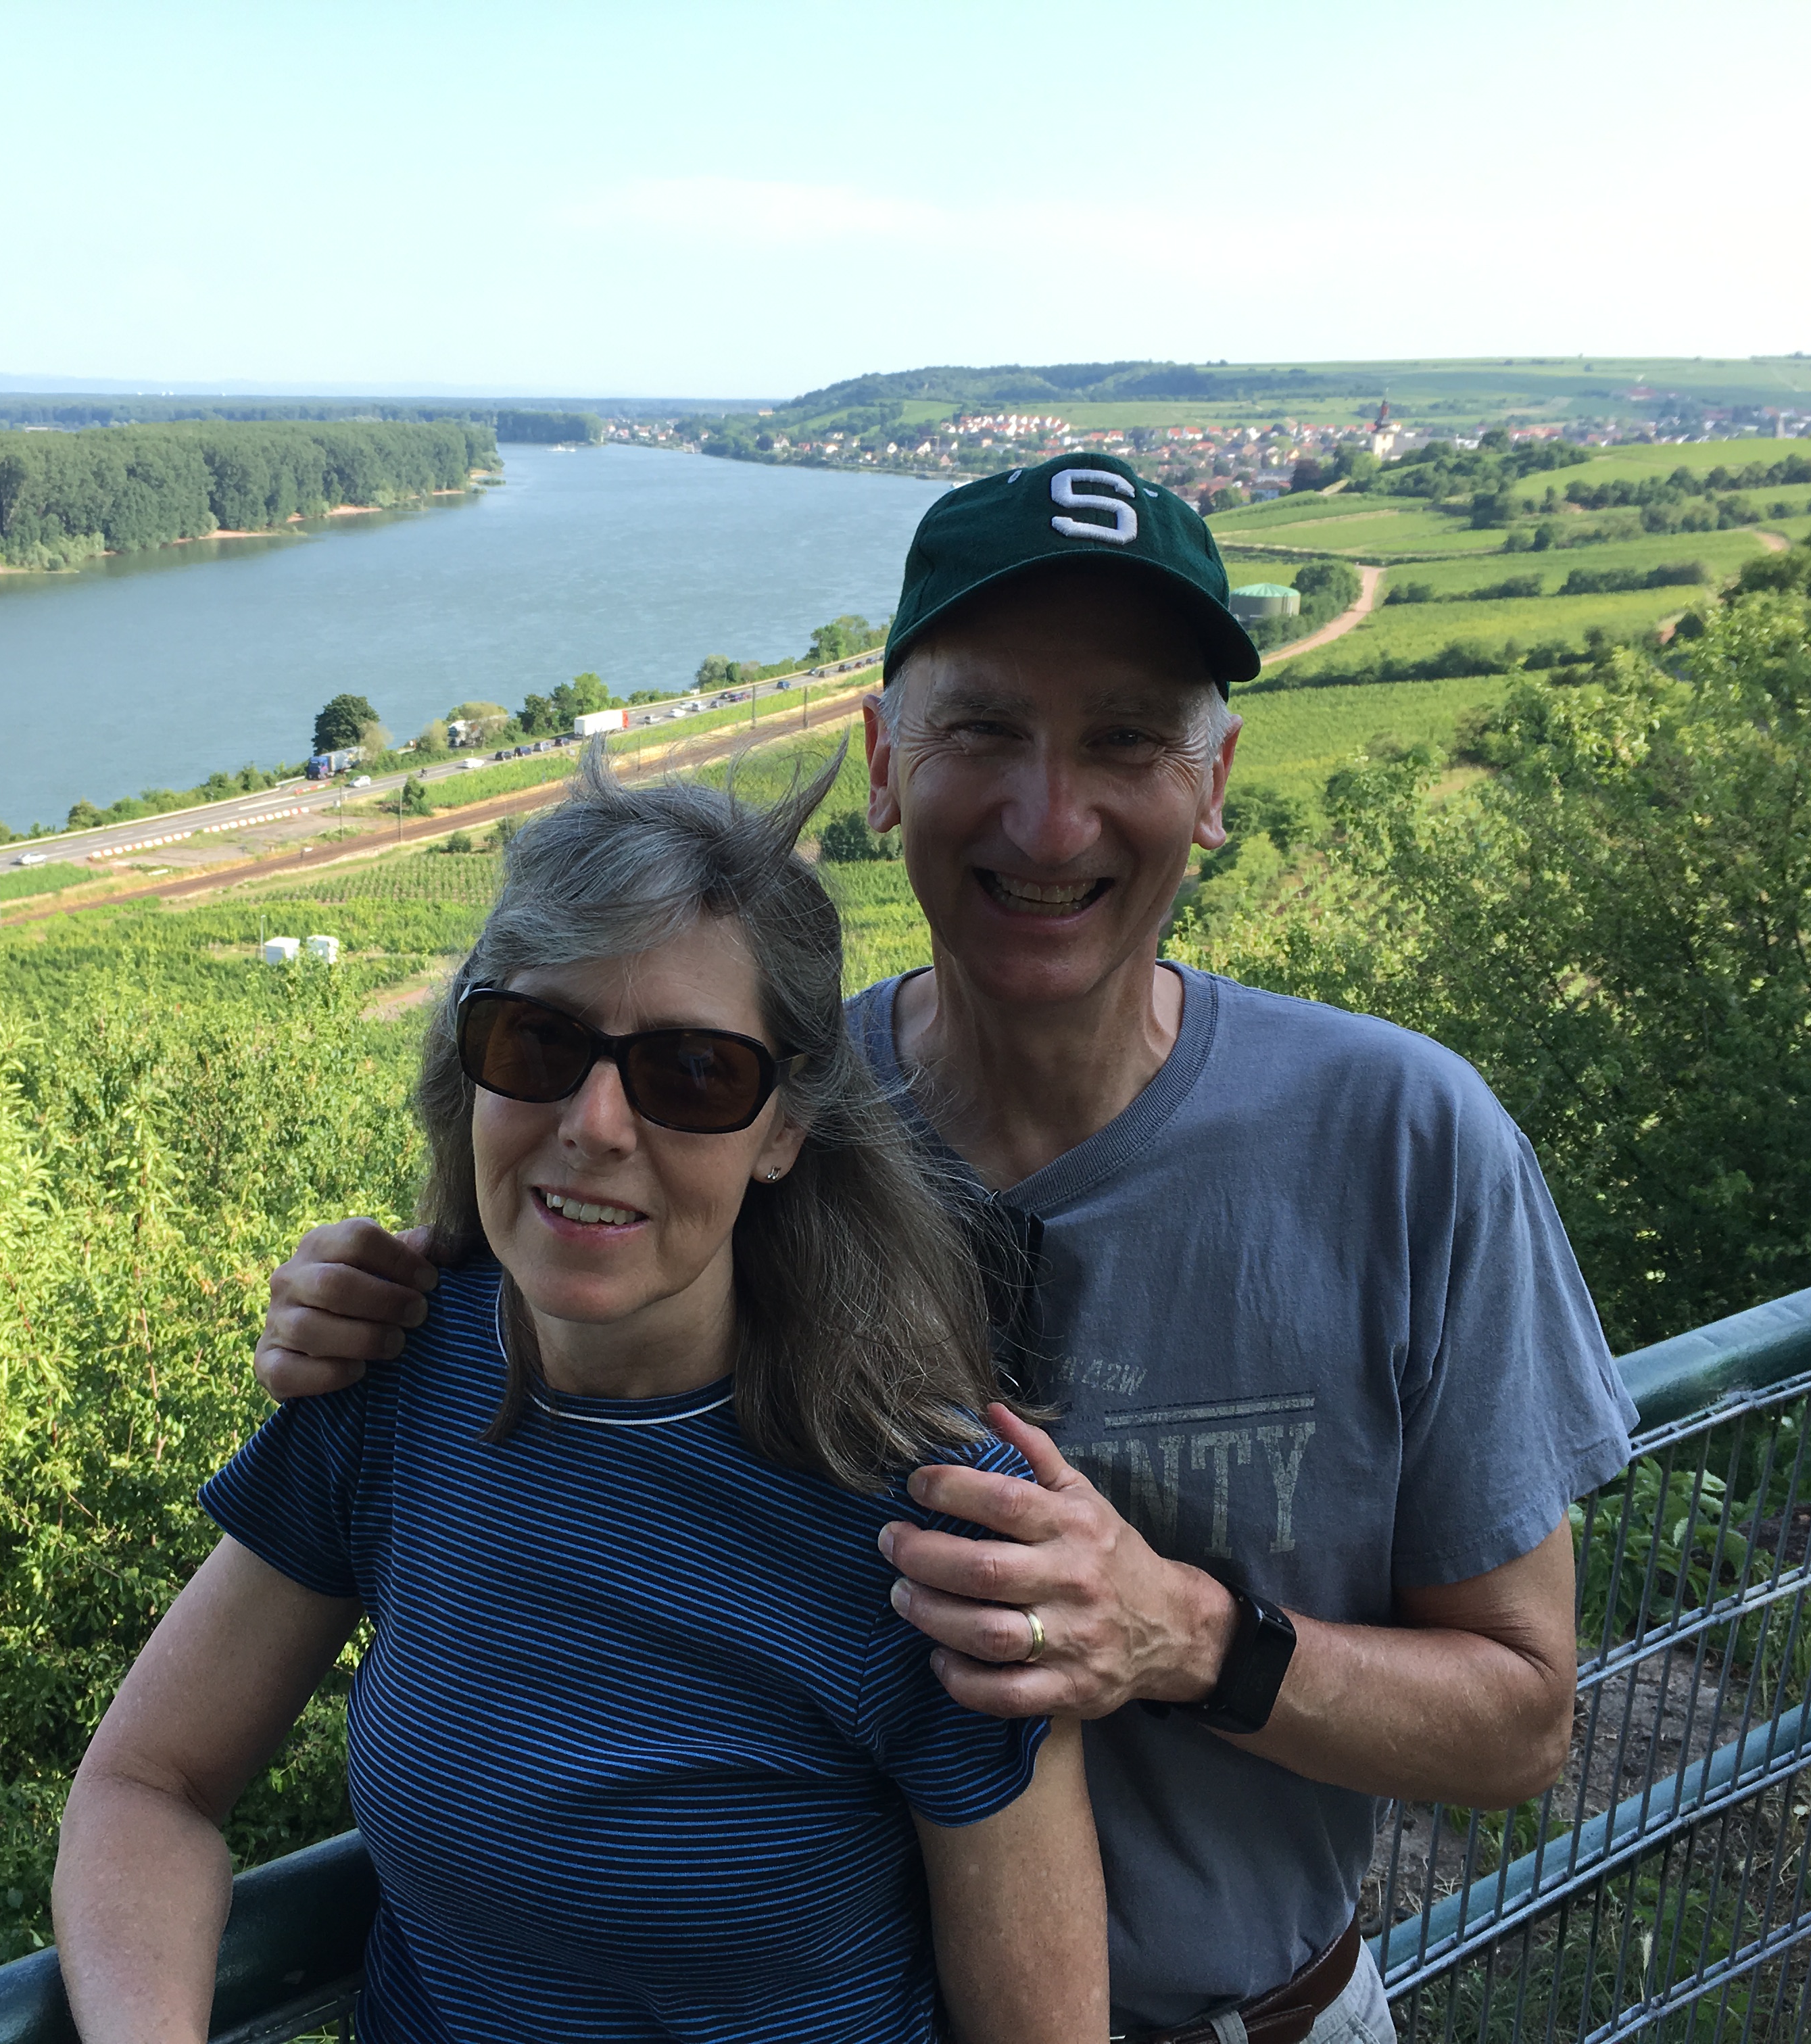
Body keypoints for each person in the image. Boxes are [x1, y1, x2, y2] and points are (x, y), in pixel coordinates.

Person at [251, 450, 1638, 2044]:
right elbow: (531, 1319)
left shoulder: (1406, 1144)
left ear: (1215, 785)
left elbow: (1520, 1723)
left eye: (1127, 737)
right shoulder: (725, 1119)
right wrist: (376, 1292)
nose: (1049, 819)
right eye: (982, 731)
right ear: (884, 765)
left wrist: (1182, 1636)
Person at [55, 752, 1108, 2044]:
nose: (597, 1123)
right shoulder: (390, 1384)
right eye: (539, 1042)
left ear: (784, 1129)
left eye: (692, 1072)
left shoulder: (939, 1535)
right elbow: (149, 1786)